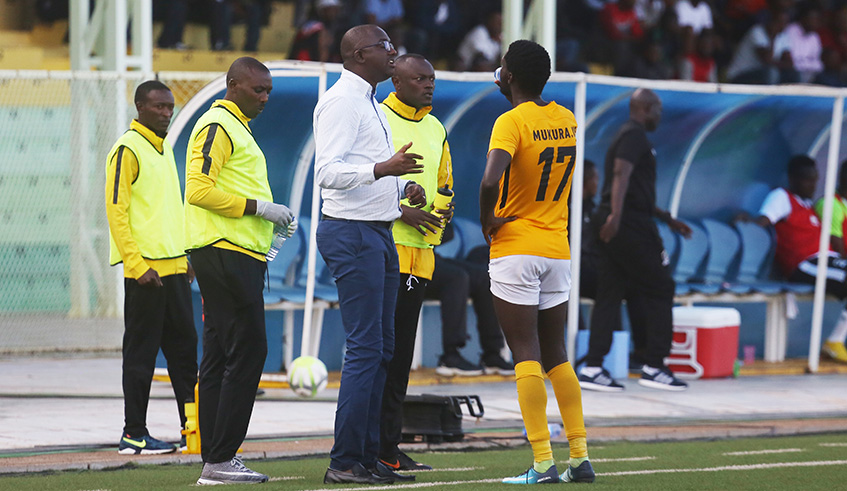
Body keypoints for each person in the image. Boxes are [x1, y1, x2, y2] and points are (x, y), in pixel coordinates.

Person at [313, 25, 427, 485]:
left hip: (378, 231)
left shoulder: (369, 102)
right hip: (351, 233)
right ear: (361, 54)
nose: (394, 52)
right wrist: (383, 168)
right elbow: (328, 173)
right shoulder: (342, 101)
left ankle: (367, 455)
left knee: (382, 348)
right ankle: (344, 461)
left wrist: (402, 185)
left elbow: (371, 169)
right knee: (365, 349)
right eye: (385, 46)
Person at [480, 39, 595, 484]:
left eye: (503, 67)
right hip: (557, 249)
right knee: (557, 355)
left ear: (507, 76)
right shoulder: (565, 118)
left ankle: (543, 462)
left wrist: (487, 217)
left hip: (516, 245)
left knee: (525, 353)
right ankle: (580, 457)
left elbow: (493, 177)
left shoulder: (510, 121)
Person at [185, 57, 297, 485]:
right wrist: (259, 208)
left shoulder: (237, 127)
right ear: (233, 85)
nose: (265, 97)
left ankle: (214, 459)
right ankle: (221, 457)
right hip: (225, 252)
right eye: (258, 90)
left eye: (268, 90)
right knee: (249, 350)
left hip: (231, 252)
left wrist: (265, 222)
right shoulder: (217, 125)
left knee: (218, 354)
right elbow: (197, 189)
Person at [105, 80, 198, 456]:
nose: (166, 112)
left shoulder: (163, 150)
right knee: (141, 354)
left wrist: (187, 256)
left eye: (169, 106)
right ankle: (133, 433)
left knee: (185, 354)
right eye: (158, 106)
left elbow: (168, 211)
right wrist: (135, 262)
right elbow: (116, 210)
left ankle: (192, 428)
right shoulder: (127, 149)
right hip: (146, 273)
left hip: (175, 268)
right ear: (140, 107)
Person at [578, 89, 691, 393]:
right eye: (658, 109)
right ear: (644, 108)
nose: (660, 115)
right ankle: (655, 364)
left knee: (610, 292)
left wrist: (666, 218)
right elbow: (620, 174)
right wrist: (616, 216)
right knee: (661, 286)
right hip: (628, 224)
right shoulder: (634, 135)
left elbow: (633, 188)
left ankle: (592, 366)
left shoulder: (628, 135)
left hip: (620, 219)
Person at [375, 53, 452, 477]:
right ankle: (374, 444)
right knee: (383, 353)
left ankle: (389, 444)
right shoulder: (379, 119)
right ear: (396, 82)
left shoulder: (437, 127)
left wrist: (437, 219)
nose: (428, 85)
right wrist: (402, 212)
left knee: (402, 355)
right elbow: (365, 178)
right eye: (419, 78)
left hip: (421, 253)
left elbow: (445, 182)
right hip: (387, 248)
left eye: (432, 78)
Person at [749, 156, 847, 363]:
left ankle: (835, 341)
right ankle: (834, 341)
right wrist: (746, 219)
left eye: (814, 179)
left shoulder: (808, 205)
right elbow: (763, 221)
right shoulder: (782, 197)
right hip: (805, 264)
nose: (812, 185)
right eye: (806, 180)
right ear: (792, 179)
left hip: (824, 261)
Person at [429, 245, 513, 377]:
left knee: (484, 277)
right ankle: (450, 356)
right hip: (408, 262)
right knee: (457, 278)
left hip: (430, 255)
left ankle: (492, 354)